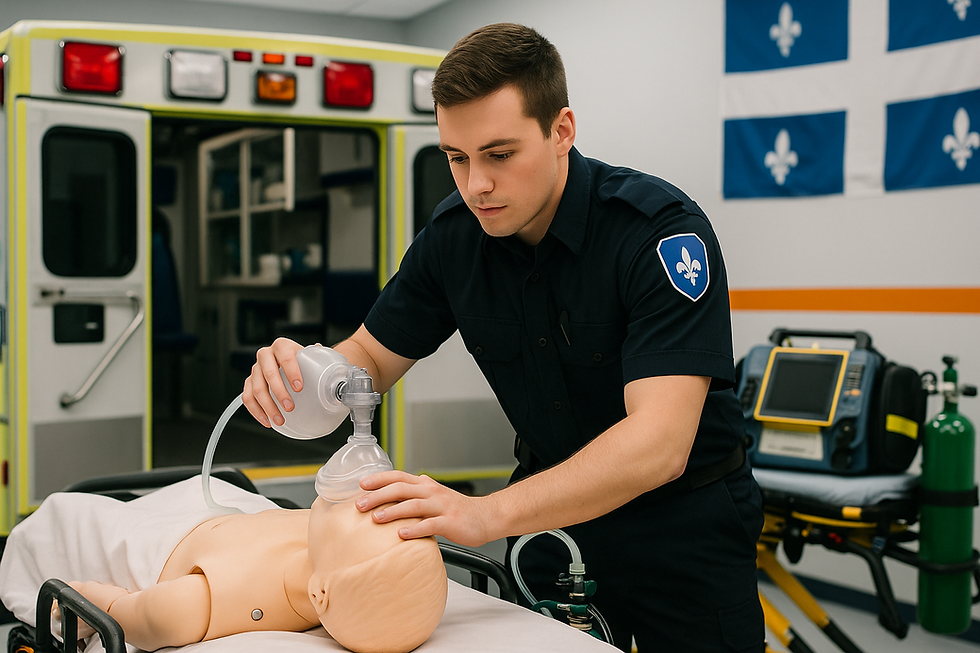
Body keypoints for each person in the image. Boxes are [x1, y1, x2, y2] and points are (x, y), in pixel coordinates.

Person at [244, 23, 764, 652]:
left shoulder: (655, 234)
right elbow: (370, 358)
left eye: (499, 154)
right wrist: (305, 374)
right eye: (456, 159)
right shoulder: (455, 238)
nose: (475, 185)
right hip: (550, 529)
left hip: (680, 526)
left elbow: (658, 445)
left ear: (561, 131)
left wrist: (484, 514)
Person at [0, 478, 447, 653]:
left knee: (68, 515)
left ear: (320, 594)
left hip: (166, 544)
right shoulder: (324, 525)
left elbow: (128, 612)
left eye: (363, 524)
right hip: (227, 507)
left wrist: (83, 607)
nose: (368, 508)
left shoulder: (211, 601)